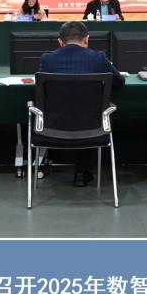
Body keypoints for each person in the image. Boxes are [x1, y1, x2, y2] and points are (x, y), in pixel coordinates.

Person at [37, 21, 125, 187]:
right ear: (86, 39)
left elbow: (40, 89)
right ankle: (82, 172)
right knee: (86, 112)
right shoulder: (98, 58)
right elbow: (119, 81)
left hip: (53, 125)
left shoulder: (47, 60)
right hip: (94, 127)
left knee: (74, 110)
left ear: (60, 42)